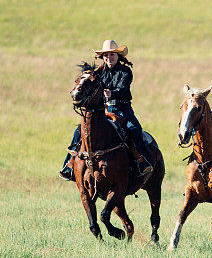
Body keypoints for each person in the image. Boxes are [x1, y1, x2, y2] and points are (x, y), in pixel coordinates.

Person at [58, 40, 153, 181]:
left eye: (112, 55)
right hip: (103, 110)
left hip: (123, 109)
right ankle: (69, 165)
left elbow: (123, 88)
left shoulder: (125, 71)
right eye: (106, 55)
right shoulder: (99, 72)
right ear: (103, 57)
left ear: (118, 56)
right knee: (79, 131)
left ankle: (143, 162)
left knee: (134, 129)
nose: (109, 58)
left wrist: (111, 94)